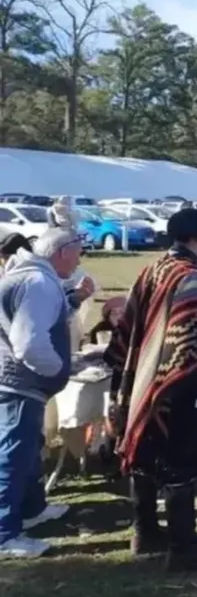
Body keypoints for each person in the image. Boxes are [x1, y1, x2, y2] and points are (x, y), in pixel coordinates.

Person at [104, 208, 197, 570]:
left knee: (144, 453)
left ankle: (145, 532)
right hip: (183, 385)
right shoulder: (192, 279)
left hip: (145, 382)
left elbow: (127, 328)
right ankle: (184, 548)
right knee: (181, 465)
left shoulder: (153, 268)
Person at [0, 229, 81, 558]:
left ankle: (32, 509)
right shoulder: (39, 284)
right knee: (13, 455)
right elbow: (29, 344)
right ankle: (4, 534)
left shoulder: (30, 277)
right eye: (78, 253)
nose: (80, 261)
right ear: (62, 252)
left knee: (30, 448)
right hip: (20, 383)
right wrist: (54, 370)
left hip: (17, 381)